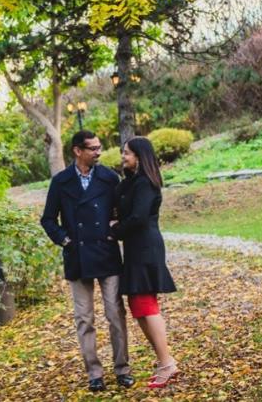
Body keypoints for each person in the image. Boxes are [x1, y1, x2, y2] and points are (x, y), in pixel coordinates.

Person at [41, 130, 134, 392]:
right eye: (93, 148)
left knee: (115, 314)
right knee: (84, 318)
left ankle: (122, 369)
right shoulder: (61, 182)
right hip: (77, 256)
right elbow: (48, 219)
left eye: (99, 147)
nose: (98, 152)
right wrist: (65, 240)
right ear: (77, 151)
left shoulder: (109, 177)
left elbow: (121, 211)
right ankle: (94, 373)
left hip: (106, 253)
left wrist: (114, 230)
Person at [110, 136, 179, 389]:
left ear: (139, 156)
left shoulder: (145, 183)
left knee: (146, 304)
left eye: (127, 153)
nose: (123, 156)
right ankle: (164, 361)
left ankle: (167, 363)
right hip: (135, 248)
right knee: (138, 305)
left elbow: (138, 217)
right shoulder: (131, 182)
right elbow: (119, 202)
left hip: (146, 247)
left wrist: (114, 230)